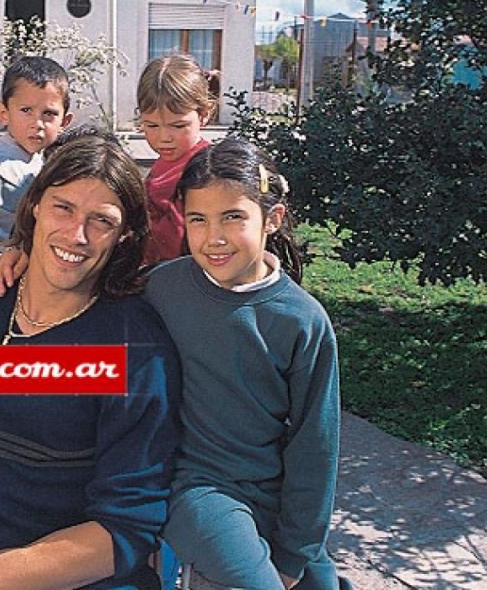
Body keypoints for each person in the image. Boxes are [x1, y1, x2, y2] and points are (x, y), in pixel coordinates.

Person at [0, 129, 182, 590]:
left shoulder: (135, 348)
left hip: (69, 577)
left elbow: (125, 528)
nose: (76, 235)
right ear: (36, 205)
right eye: (63, 208)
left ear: (124, 236)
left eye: (100, 221)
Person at [143, 137, 343, 589]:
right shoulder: (161, 289)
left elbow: (316, 443)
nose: (214, 237)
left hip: (272, 489)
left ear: (272, 218)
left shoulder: (303, 320)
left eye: (233, 217)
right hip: (197, 488)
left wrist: (295, 553)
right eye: (198, 219)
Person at [0, 56, 74, 248]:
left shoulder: (31, 158)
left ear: (64, 123)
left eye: (49, 114)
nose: (38, 124)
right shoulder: (1, 169)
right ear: (3, 113)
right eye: (26, 110)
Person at [136, 55, 216, 267]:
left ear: (205, 113)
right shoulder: (164, 163)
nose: (164, 137)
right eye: (151, 126)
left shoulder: (206, 171)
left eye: (178, 126)